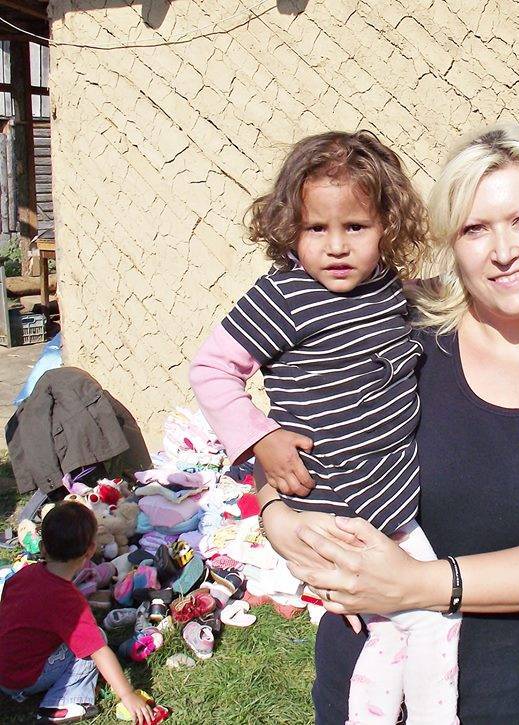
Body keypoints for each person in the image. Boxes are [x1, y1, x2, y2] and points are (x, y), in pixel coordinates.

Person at [258, 123, 519, 723]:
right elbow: (297, 444)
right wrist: (276, 516)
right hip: (368, 688)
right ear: (452, 242)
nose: (504, 251)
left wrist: (420, 584)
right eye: (475, 229)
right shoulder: (401, 329)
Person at [189, 130, 460, 724]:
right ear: (290, 228)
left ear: (387, 227)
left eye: (355, 227)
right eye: (316, 229)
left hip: (388, 502)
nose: (336, 247)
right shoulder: (283, 296)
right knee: (433, 619)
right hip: (337, 508)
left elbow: (431, 304)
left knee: (387, 632)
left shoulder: (388, 289)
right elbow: (211, 368)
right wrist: (260, 437)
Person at [0, 501, 154, 724]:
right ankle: (63, 703)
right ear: (91, 550)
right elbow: (98, 652)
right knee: (95, 642)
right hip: (22, 679)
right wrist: (128, 694)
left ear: (42, 547)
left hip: (5, 666)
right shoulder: (68, 601)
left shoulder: (25, 574)